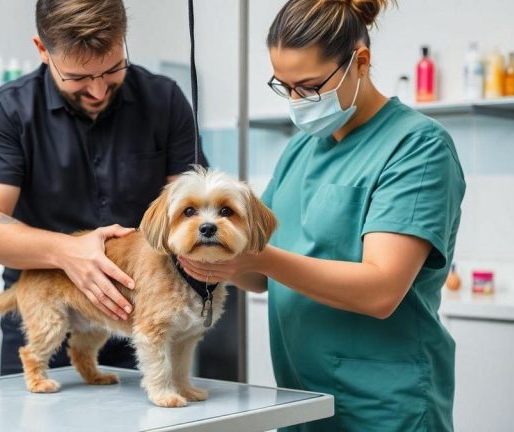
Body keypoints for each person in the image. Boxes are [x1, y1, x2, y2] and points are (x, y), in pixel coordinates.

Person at [178, 0, 464, 430]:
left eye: (309, 87)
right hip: (301, 401)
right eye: (285, 86)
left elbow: (380, 291)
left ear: (360, 62)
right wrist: (211, 255)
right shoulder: (301, 148)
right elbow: (258, 276)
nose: (296, 100)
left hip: (385, 408)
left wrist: (256, 259)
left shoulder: (416, 147)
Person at [0, 0, 207, 375]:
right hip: (51, 306)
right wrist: (68, 252)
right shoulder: (9, 110)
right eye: (78, 77)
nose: (97, 90)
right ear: (43, 50)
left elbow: (192, 208)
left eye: (113, 70)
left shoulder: (164, 100)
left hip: (145, 317)